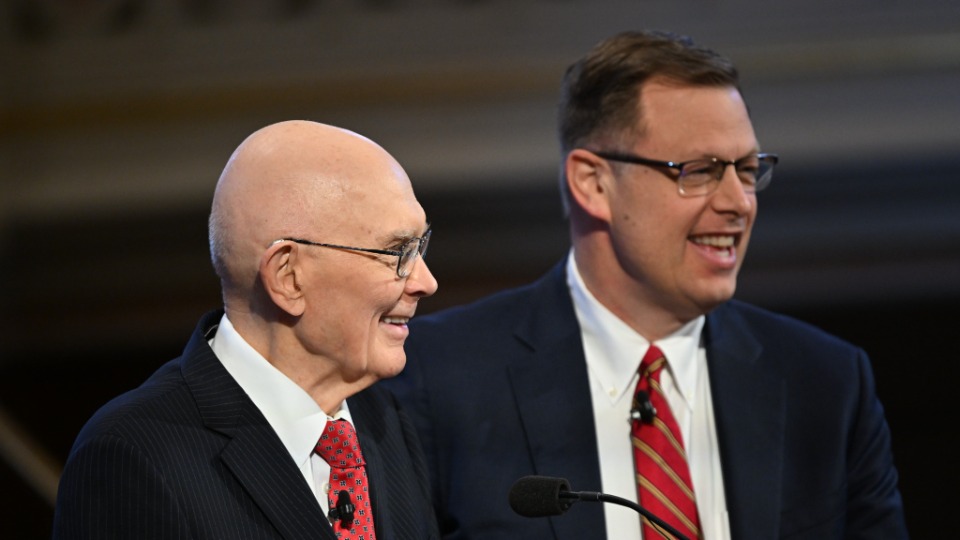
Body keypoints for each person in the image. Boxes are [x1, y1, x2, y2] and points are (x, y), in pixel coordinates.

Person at [383, 30, 908, 539]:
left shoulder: (827, 384)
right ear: (593, 183)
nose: (739, 202)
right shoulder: (436, 379)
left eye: (748, 170)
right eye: (699, 170)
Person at [53, 120, 441, 539]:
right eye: (397, 252)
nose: (426, 281)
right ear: (288, 277)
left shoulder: (383, 420)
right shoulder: (133, 455)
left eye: (420, 246)